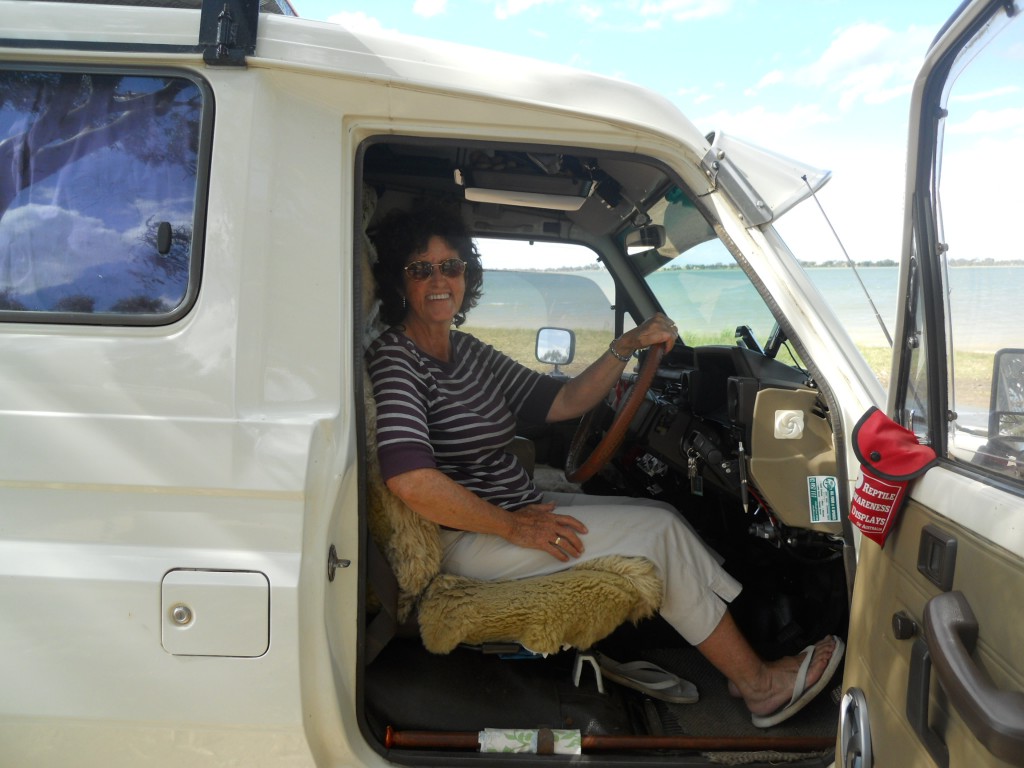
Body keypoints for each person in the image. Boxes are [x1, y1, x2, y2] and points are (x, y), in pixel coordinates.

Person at [365, 203, 843, 727]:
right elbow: (409, 480)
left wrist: (624, 347)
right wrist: (514, 526)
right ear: (398, 281)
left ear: (466, 275)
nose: (439, 280)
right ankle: (759, 687)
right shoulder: (397, 359)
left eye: (450, 266)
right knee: (659, 532)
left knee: (662, 516)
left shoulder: (467, 352)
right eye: (421, 269)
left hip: (512, 510)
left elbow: (564, 400)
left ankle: (740, 655)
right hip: (470, 537)